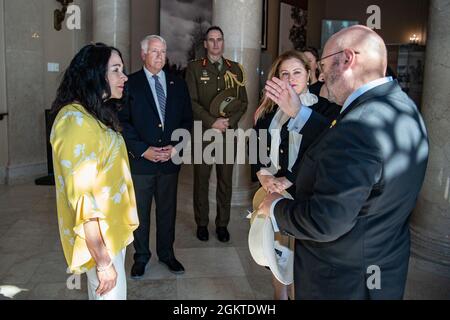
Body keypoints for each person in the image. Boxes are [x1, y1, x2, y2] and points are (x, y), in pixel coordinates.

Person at [259, 25, 429, 299]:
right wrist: (300, 114)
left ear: (348, 59)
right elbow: (339, 141)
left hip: (341, 282)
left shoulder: (358, 128)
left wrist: (277, 207)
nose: (321, 74)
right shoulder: (402, 107)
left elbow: (326, 222)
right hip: (382, 267)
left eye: (323, 65)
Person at [50, 43, 139, 300]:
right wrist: (102, 261)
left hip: (111, 231)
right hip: (101, 240)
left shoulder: (92, 114)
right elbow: (83, 201)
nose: (124, 77)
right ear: (94, 74)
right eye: (116, 70)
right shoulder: (74, 121)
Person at [252, 50, 340, 300]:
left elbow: (323, 149)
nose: (291, 78)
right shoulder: (267, 112)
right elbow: (258, 148)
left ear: (310, 75)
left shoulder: (328, 111)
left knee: (301, 257)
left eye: (297, 72)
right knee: (276, 252)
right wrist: (263, 174)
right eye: (284, 73)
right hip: (273, 191)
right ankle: (280, 292)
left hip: (307, 194)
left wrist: (290, 178)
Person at [118, 35, 193, 278]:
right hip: (141, 162)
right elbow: (123, 122)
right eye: (154, 51)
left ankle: (167, 254)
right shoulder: (129, 84)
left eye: (163, 51)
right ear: (143, 55)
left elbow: (187, 121)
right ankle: (140, 257)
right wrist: (143, 149)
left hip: (170, 161)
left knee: (167, 211)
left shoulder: (177, 84)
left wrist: (175, 148)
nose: (160, 56)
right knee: (140, 213)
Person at [185, 26, 248, 242]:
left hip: (228, 134)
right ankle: (202, 223)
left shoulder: (236, 69)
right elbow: (191, 102)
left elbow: (243, 103)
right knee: (201, 181)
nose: (215, 44)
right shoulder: (194, 69)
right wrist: (213, 122)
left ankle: (222, 224)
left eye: (219, 39)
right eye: (211, 40)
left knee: (225, 181)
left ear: (223, 42)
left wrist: (228, 123)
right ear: (205, 44)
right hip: (204, 133)